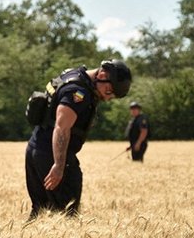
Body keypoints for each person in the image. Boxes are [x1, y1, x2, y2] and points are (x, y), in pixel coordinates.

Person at [25, 59, 132, 220]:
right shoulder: (77, 92)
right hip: (50, 156)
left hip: (36, 148)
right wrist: (59, 166)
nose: (108, 98)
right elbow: (61, 127)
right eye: (109, 91)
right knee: (66, 213)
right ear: (102, 75)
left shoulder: (72, 74)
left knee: (41, 211)